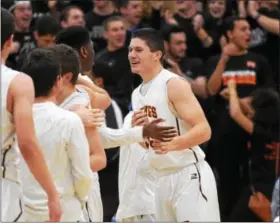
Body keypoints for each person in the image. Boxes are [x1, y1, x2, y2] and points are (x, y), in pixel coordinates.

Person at [49, 43, 178, 221]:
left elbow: (100, 152)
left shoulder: (81, 100)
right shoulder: (57, 100)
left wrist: (142, 133)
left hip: (79, 190)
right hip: (54, 188)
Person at [129, 28, 220, 221]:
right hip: (161, 178)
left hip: (188, 174)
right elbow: (148, 145)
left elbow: (204, 130)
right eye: (130, 50)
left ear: (156, 55)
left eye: (138, 50)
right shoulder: (137, 94)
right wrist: (141, 135)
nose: (132, 55)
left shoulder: (173, 84)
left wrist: (172, 145)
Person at [1, 7, 61, 222]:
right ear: (10, 40)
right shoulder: (18, 82)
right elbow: (27, 143)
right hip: (4, 188)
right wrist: (52, 193)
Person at [19, 48, 92, 222]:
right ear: (58, 81)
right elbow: (82, 174)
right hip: (64, 211)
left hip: (21, 212)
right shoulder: (70, 120)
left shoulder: (11, 121)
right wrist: (80, 201)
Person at [227, 80, 280, 221]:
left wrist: (232, 89)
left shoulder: (260, 132)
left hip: (260, 190)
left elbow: (235, 113)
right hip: (274, 187)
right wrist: (234, 97)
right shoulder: (273, 131)